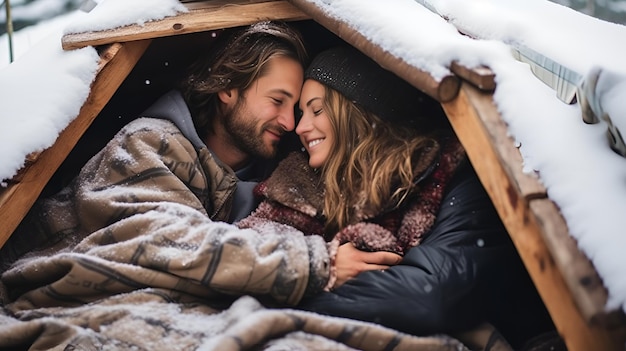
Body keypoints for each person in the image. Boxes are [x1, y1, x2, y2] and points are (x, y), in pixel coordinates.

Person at [237, 46, 556, 348]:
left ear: (357, 114)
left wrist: (301, 295)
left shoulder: (449, 174)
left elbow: (430, 295)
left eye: (317, 110)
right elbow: (249, 255)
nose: (301, 126)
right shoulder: (296, 186)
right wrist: (319, 269)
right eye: (301, 112)